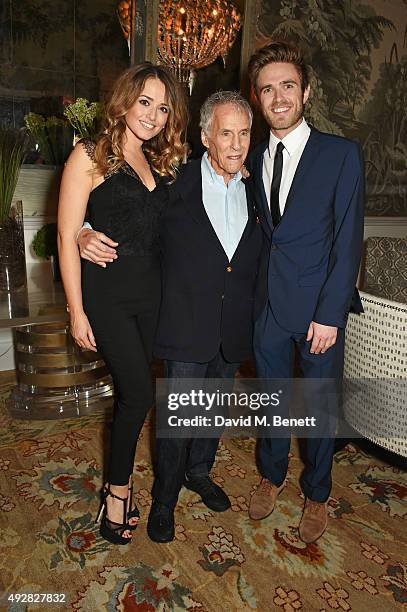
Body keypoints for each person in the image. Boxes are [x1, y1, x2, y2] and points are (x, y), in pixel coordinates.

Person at [77, 91, 263, 543]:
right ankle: (164, 498)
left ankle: (199, 473)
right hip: (184, 321)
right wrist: (83, 230)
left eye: (243, 134)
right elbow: (123, 214)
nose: (236, 145)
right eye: (225, 134)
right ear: (204, 137)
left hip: (233, 323)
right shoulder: (171, 182)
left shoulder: (258, 185)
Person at [57, 62, 187, 545]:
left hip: (153, 297)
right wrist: (77, 311)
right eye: (145, 102)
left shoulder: (161, 163)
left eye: (163, 107)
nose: (153, 115)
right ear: (126, 100)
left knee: (142, 392)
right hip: (108, 295)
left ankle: (124, 488)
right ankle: (117, 492)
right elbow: (68, 238)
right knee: (136, 393)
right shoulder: (88, 155)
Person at [246, 41, 365, 543]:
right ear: (257, 97)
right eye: (268, 89)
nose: (278, 97)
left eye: (287, 86)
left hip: (319, 309)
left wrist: (330, 313)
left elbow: (348, 238)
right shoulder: (249, 155)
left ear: (306, 92)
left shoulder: (341, 155)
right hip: (266, 307)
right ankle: (270, 476)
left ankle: (317, 493)